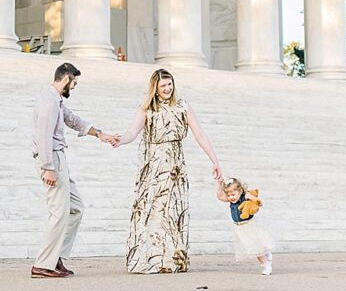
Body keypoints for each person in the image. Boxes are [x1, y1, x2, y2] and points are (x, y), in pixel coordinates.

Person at [114, 67, 222, 274]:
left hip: (174, 165)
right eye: (163, 85)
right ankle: (149, 258)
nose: (167, 88)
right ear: (154, 88)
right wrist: (120, 140)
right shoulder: (146, 109)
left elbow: (200, 135)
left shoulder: (183, 106)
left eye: (169, 84)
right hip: (153, 165)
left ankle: (172, 259)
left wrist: (214, 160)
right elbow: (133, 132)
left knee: (172, 210)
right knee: (152, 209)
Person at [29, 61, 118, 279]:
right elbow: (43, 137)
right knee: (59, 212)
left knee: (75, 208)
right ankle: (43, 264)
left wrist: (100, 134)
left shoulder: (56, 101)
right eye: (74, 82)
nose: (74, 87)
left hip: (59, 160)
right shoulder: (49, 102)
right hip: (52, 160)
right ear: (66, 79)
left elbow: (73, 120)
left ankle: (55, 256)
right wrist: (47, 167)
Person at [220, 176, 276, 275]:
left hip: (249, 225)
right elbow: (220, 197)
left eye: (233, 194)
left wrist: (251, 197)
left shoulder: (244, 196)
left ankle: (266, 265)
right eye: (228, 195)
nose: (231, 197)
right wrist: (218, 185)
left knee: (255, 248)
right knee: (253, 246)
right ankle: (266, 254)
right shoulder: (231, 201)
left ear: (240, 191)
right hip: (240, 228)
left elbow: (258, 202)